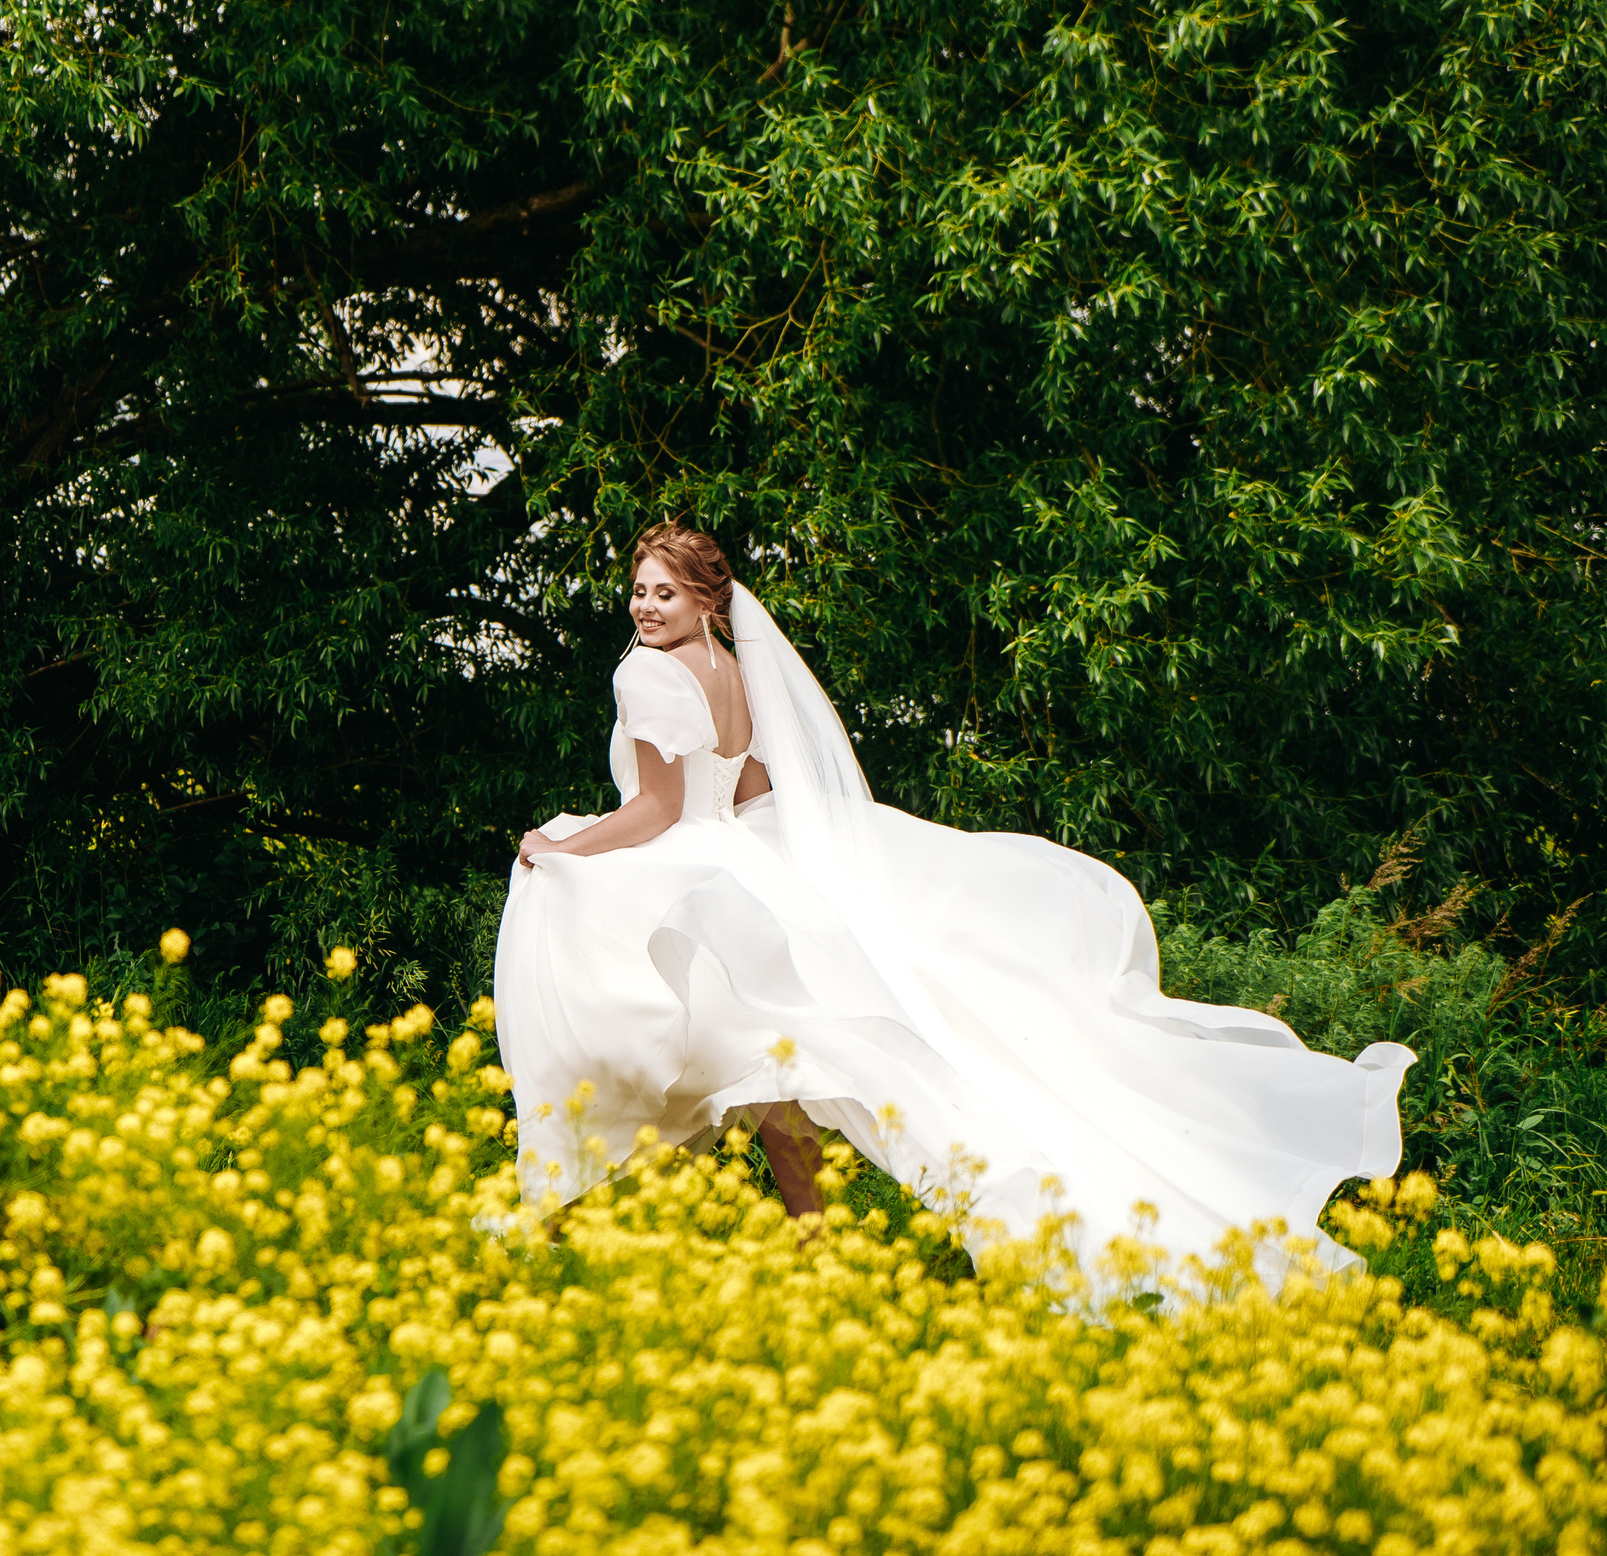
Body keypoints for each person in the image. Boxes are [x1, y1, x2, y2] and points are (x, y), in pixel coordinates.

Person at [493, 521, 1412, 1277]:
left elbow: (657, 810)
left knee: (589, 980)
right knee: (774, 1070)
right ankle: (807, 1247)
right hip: (744, 861)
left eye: (663, 592)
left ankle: (548, 1217)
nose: (644, 607)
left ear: (704, 598)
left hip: (701, 869)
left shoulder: (645, 673)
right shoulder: (731, 669)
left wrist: (559, 844)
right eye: (639, 590)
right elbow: (739, 791)